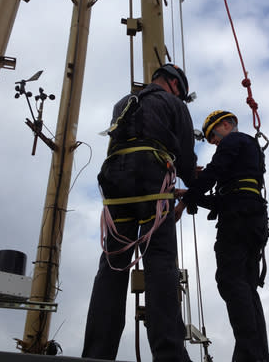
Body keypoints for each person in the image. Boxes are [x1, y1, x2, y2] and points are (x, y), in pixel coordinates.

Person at [82, 63, 196, 362]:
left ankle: (96, 355)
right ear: (174, 84)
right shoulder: (172, 103)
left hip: (115, 180)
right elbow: (184, 155)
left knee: (112, 264)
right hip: (151, 176)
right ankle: (170, 356)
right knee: (160, 264)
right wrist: (194, 190)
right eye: (181, 92)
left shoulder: (124, 103)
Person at [175, 110, 269, 362]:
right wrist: (193, 195)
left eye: (213, 136)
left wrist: (187, 199)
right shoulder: (250, 151)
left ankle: (248, 356)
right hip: (252, 217)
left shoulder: (233, 141)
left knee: (231, 281)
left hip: (238, 218)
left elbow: (215, 172)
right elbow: (227, 193)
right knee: (247, 288)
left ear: (226, 125)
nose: (214, 142)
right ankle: (259, 356)